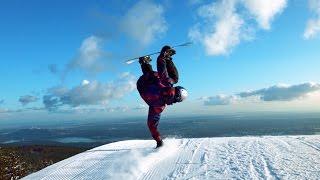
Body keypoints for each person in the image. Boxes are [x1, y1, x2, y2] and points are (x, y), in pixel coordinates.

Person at [136, 45, 188, 148]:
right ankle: (144, 63)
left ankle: (151, 61)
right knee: (155, 78)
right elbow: (152, 125)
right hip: (141, 86)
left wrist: (163, 56)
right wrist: (158, 140)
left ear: (177, 90)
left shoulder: (167, 85)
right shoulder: (159, 107)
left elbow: (162, 69)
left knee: (171, 78)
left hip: (148, 81)